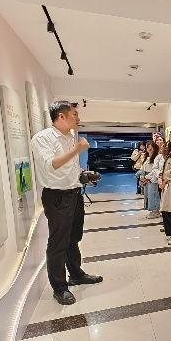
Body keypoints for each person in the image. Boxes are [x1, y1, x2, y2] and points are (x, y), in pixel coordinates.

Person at [30, 100, 104, 306]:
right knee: (58, 243)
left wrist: (82, 173)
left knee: (73, 237)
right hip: (57, 196)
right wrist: (78, 149)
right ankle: (59, 287)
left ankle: (76, 274)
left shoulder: (70, 137)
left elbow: (68, 166)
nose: (78, 118)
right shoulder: (42, 138)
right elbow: (51, 164)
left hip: (74, 193)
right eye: (75, 114)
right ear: (61, 116)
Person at [140, 141, 162, 218]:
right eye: (147, 147)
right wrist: (142, 177)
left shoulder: (158, 157)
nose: (148, 148)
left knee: (154, 194)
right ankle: (152, 210)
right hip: (146, 178)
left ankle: (156, 211)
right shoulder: (146, 157)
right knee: (148, 195)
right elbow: (142, 168)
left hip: (153, 178)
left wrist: (148, 178)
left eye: (150, 146)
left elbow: (156, 170)